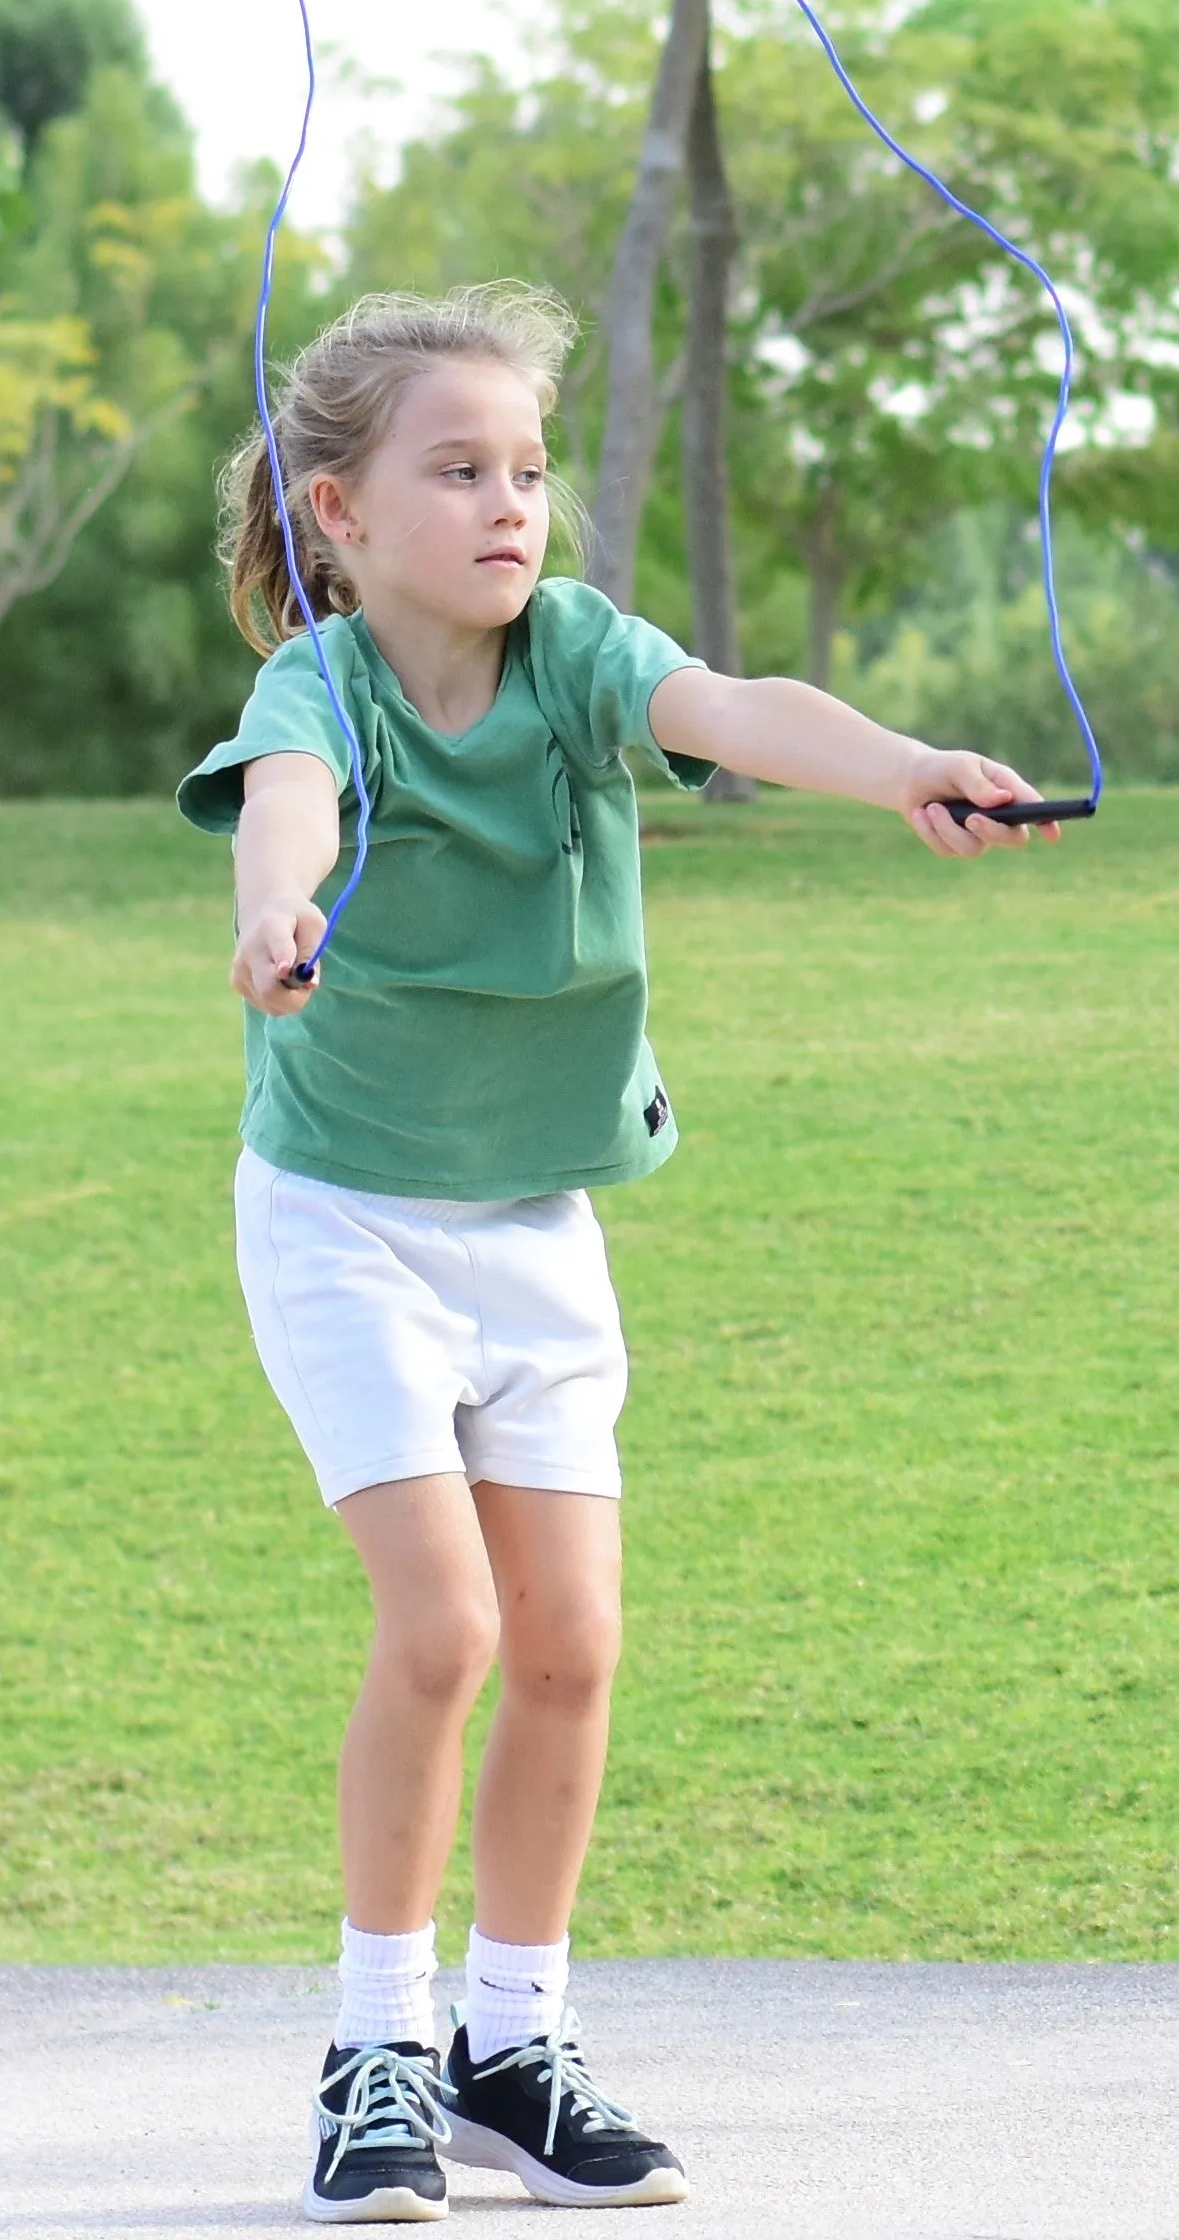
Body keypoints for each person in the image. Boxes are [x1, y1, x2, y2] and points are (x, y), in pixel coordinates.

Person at [180, 285, 1056, 2222]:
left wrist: (909, 759)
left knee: (569, 1650)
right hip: (345, 1223)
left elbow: (737, 712)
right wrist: (276, 914)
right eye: (458, 470)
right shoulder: (317, 691)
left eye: (528, 468)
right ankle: (376, 2050)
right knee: (446, 1630)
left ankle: (514, 2041)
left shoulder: (572, 649)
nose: (512, 505)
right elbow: (285, 816)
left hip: (537, 1222)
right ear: (336, 509)